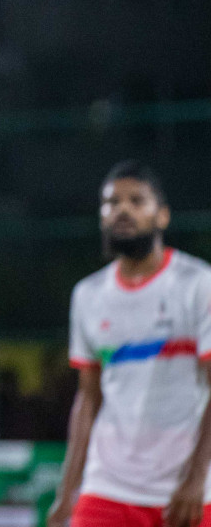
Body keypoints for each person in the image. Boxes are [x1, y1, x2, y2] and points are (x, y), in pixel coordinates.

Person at [48, 161, 211, 527]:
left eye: (137, 201)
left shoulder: (198, 284)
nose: (122, 209)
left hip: (186, 488)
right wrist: (68, 492)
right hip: (109, 486)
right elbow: (88, 399)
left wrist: (197, 478)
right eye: (111, 202)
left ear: (162, 216)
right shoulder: (88, 295)